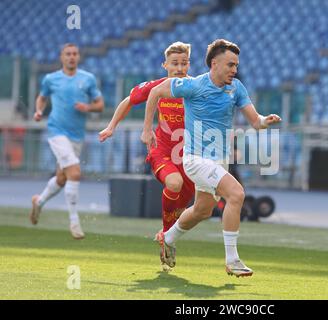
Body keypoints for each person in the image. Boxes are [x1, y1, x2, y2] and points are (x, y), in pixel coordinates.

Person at [141, 39, 281, 277]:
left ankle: (168, 238)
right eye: (230, 65)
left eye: (236, 65)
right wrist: (146, 130)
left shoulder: (237, 88)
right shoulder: (193, 85)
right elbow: (155, 91)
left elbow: (255, 121)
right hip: (196, 159)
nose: (234, 70)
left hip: (219, 160)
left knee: (203, 210)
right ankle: (232, 260)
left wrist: (265, 121)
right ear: (214, 64)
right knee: (236, 194)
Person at [98, 42, 195, 271]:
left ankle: (167, 238)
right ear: (165, 65)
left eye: (183, 63)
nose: (179, 68)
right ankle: (167, 236)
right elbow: (129, 100)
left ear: (189, 64)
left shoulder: (196, 87)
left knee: (189, 209)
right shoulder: (158, 86)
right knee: (174, 183)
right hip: (162, 152)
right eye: (174, 64)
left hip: (190, 157)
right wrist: (112, 126)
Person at [30, 43, 104, 239]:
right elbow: (42, 97)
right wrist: (38, 111)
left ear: (78, 57)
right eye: (68, 54)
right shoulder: (51, 79)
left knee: (63, 178)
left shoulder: (87, 79)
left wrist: (88, 107)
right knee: (75, 172)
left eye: (74, 54)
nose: (71, 57)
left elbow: (100, 105)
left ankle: (39, 201)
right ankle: (74, 222)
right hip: (56, 132)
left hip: (76, 135)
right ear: (62, 57)